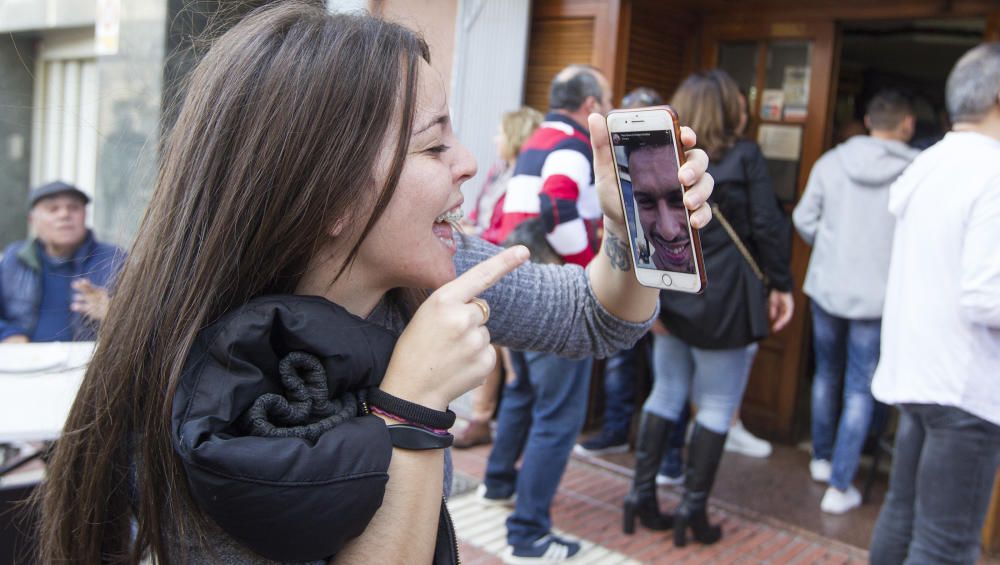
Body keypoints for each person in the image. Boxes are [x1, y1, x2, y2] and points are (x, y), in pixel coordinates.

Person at [35, 5, 715, 565]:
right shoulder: (210, 395)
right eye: (433, 144)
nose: (471, 163)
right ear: (324, 195)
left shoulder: (422, 276)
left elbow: (597, 317)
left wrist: (636, 226)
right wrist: (412, 405)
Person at [623, 70, 794, 547]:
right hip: (725, 300)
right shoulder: (745, 156)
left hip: (671, 287)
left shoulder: (658, 157)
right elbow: (767, 225)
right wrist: (781, 285)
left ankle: (640, 498)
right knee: (717, 404)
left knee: (667, 391)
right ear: (729, 109)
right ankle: (691, 513)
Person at [868, 43, 1000, 565]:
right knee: (945, 544)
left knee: (902, 514)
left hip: (917, 370)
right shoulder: (993, 171)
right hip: (965, 381)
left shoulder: (930, 163)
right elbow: (987, 296)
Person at [478, 64, 615, 563]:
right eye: (607, 98)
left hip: (519, 277)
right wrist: (587, 271)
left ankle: (497, 484)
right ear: (591, 105)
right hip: (557, 287)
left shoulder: (537, 137)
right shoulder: (576, 143)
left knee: (523, 390)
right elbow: (557, 205)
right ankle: (529, 534)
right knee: (559, 415)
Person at [793, 89, 919, 515]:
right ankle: (841, 484)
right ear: (907, 125)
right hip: (878, 295)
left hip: (829, 286)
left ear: (867, 121)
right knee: (861, 388)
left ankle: (822, 459)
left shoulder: (832, 162)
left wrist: (830, 247)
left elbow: (803, 218)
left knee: (827, 374)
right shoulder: (917, 171)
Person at [454, 106, 543, 449]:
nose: (495, 139)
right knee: (490, 346)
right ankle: (482, 418)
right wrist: (470, 225)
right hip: (484, 257)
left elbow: (510, 230)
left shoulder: (525, 177)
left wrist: (475, 233)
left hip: (504, 265)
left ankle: (492, 421)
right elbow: (479, 212)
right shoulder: (497, 172)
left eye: (501, 134)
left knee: (509, 353)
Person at [0, 180, 123, 343]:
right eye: (53, 209)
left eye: (73, 208)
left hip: (89, 363)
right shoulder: (14, 258)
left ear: (85, 215)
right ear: (32, 220)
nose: (64, 214)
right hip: (23, 362)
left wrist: (115, 312)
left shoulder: (114, 259)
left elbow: (148, 321)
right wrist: (7, 334)